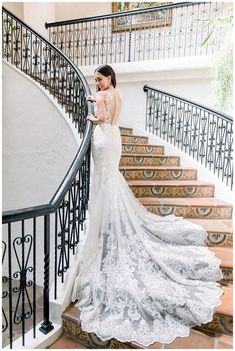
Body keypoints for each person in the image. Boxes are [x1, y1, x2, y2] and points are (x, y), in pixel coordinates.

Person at [71, 64, 223, 346]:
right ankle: (110, 218)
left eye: (100, 79)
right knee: (111, 179)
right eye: (96, 81)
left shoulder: (103, 97)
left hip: (104, 139)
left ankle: (106, 222)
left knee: (105, 180)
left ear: (109, 78)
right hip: (115, 140)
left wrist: (92, 115)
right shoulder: (119, 95)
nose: (97, 84)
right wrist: (98, 100)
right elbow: (112, 115)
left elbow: (102, 118)